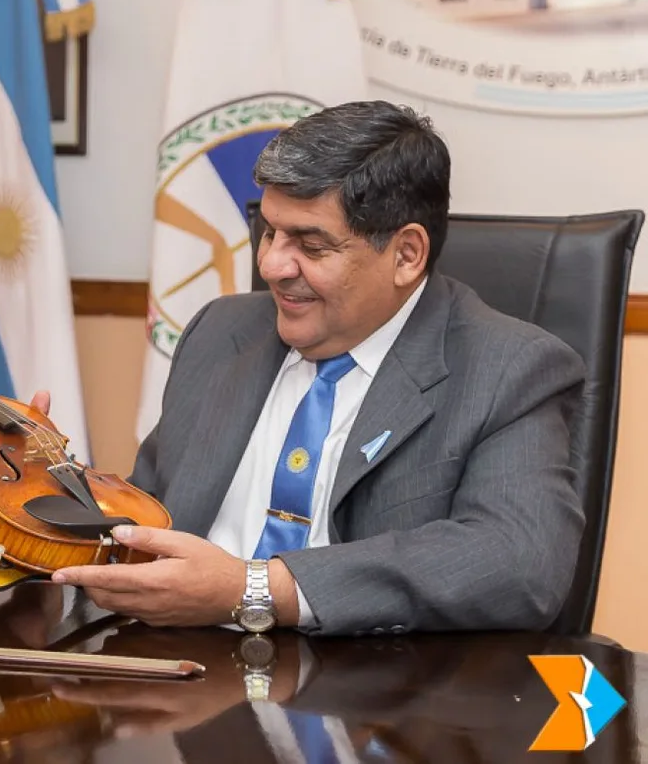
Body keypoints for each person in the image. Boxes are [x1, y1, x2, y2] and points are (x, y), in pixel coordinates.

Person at [42, 100, 586, 636]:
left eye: (311, 244)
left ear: (406, 255)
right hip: (184, 679)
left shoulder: (510, 371)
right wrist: (33, 491)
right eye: (272, 232)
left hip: (372, 701)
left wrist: (254, 590)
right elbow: (147, 516)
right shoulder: (220, 334)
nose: (273, 264)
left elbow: (519, 562)